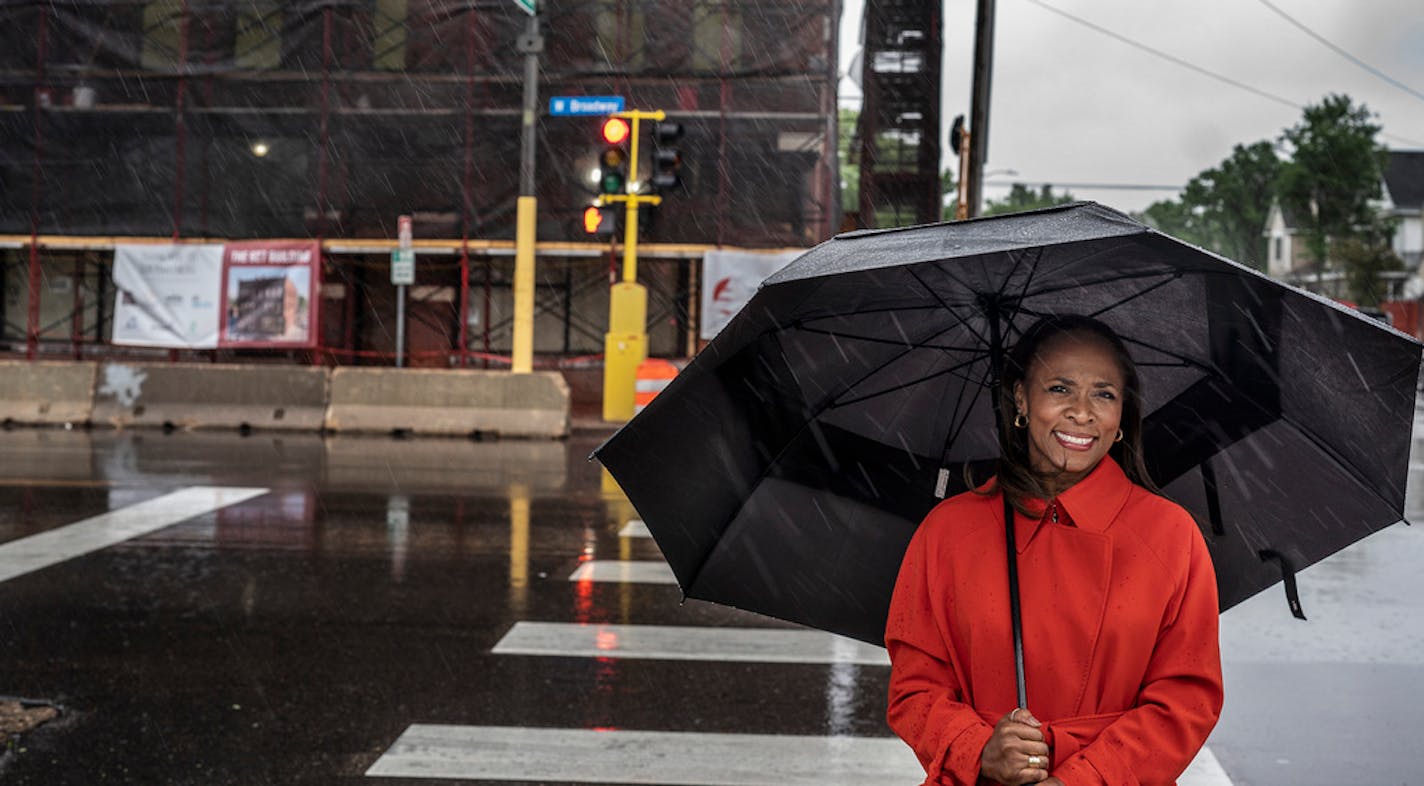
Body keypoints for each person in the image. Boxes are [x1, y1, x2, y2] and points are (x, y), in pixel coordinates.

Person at [885, 314, 1223, 786]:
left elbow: (1186, 700)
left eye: (1104, 394)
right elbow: (914, 687)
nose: (1082, 412)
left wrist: (1083, 778)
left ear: (1122, 413)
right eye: (1060, 389)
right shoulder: (948, 530)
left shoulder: (1172, 536)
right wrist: (979, 748)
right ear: (1021, 397)